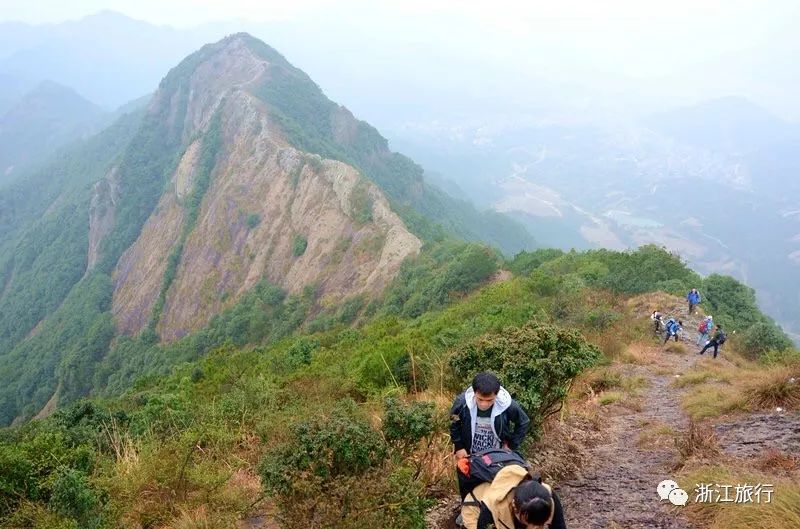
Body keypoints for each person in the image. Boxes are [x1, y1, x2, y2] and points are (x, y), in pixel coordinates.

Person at [450, 372, 530, 489]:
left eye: (489, 400)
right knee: (469, 487)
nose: (484, 404)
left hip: (496, 455)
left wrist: (511, 445)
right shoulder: (462, 402)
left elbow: (523, 422)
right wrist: (459, 446)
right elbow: (453, 421)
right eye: (480, 399)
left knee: (495, 487)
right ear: (474, 393)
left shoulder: (507, 404)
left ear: (496, 395)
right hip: (470, 453)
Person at [459, 464, 567, 529]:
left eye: (538, 525)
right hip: (475, 509)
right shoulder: (492, 508)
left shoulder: (547, 497)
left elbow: (559, 527)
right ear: (515, 506)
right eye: (528, 522)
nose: (533, 528)